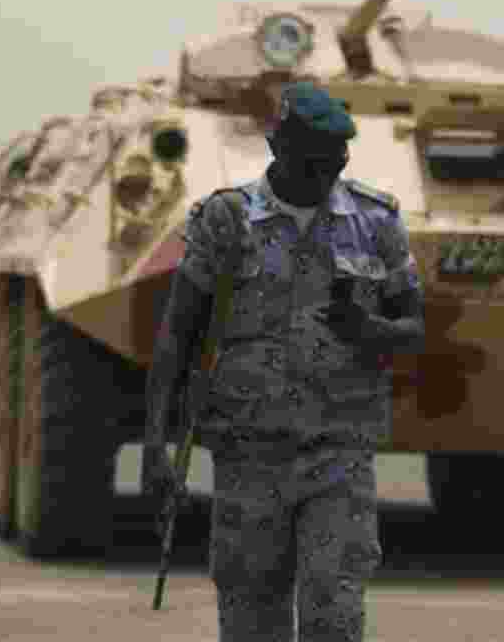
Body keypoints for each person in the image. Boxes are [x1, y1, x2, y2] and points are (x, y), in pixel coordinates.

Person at [141, 81, 425, 641]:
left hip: (339, 457)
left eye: (335, 163)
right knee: (252, 619)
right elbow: (178, 334)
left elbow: (413, 329)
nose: (325, 178)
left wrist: (368, 329)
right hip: (249, 457)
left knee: (333, 615)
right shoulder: (227, 221)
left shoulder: (375, 221)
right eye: (313, 163)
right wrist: (157, 447)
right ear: (278, 148)